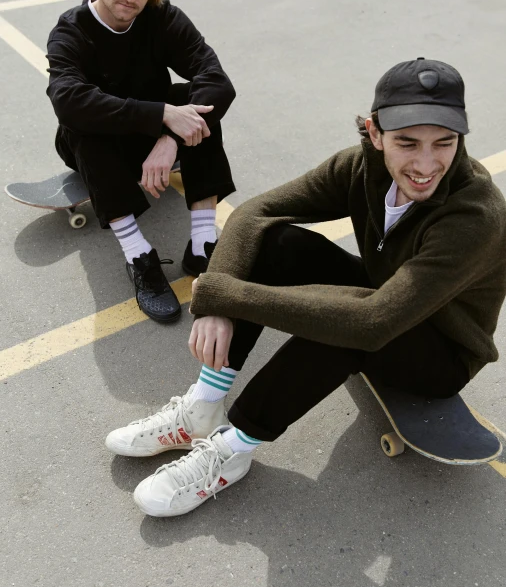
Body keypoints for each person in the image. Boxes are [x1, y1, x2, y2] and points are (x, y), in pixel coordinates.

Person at [106, 58, 506, 517]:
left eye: (445, 143)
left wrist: (220, 294)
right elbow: (254, 213)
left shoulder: (474, 216)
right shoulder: (361, 167)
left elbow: (374, 321)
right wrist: (216, 294)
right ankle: (204, 404)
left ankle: (233, 448)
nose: (426, 163)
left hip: (442, 350)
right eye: (407, 143)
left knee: (345, 319)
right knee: (278, 243)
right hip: (386, 296)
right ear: (375, 134)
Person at [46, 0, 236, 323]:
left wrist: (170, 135)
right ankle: (138, 255)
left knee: (197, 102)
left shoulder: (161, 17)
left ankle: (203, 243)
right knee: (86, 124)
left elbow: (216, 79)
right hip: (98, 142)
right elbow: (68, 101)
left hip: (153, 133)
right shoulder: (71, 30)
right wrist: (162, 115)